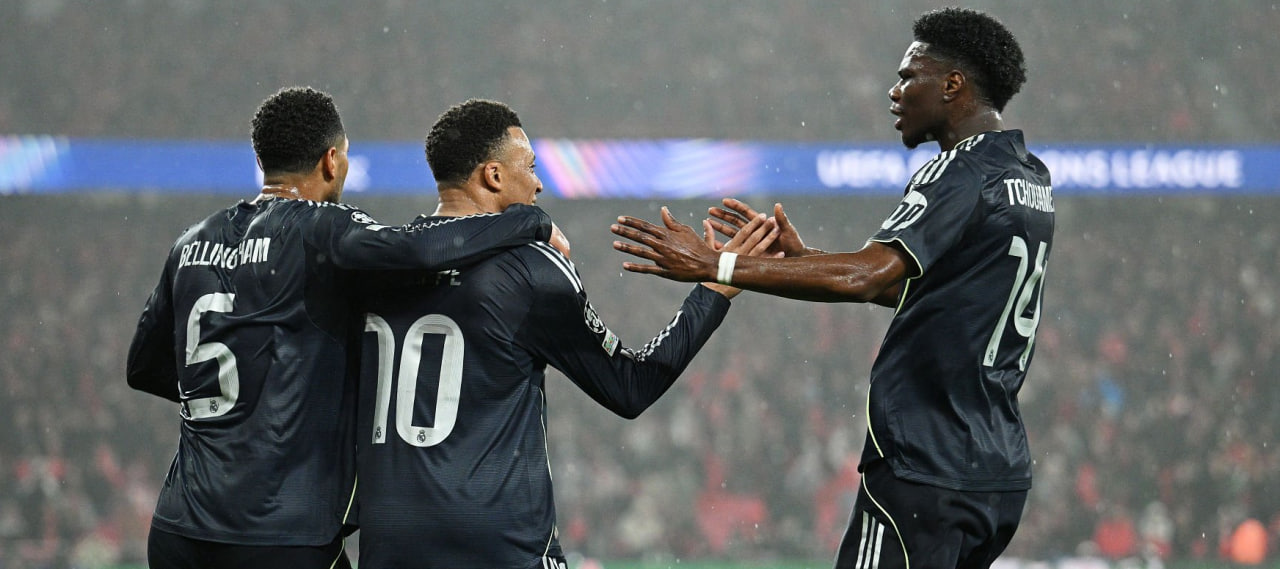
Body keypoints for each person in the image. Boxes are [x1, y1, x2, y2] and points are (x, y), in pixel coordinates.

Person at [611, 8, 1052, 569]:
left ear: (952, 84)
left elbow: (869, 275)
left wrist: (715, 264)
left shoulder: (958, 171)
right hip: (995, 472)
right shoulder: (1027, 175)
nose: (894, 91)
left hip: (926, 465)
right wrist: (806, 261)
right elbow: (923, 291)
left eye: (908, 77)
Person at [125, 87, 555, 569]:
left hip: (179, 528)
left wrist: (234, 406)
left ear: (262, 161)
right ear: (332, 161)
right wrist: (530, 225)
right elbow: (419, 250)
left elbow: (143, 368)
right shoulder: (318, 227)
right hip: (279, 532)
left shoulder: (191, 242)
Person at [352, 98, 776, 569]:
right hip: (498, 549)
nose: (538, 183)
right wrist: (713, 292)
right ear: (494, 175)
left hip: (389, 548)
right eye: (531, 167)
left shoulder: (376, 265)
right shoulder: (528, 267)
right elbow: (630, 386)